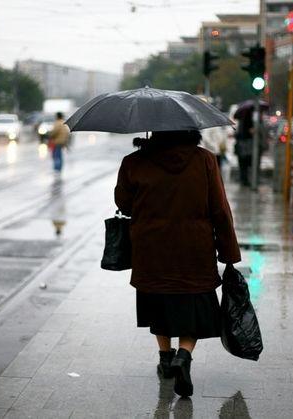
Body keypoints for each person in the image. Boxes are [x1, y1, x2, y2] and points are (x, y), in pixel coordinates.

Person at [114, 130, 241, 398]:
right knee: (192, 305)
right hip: (194, 248)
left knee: (158, 302)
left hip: (151, 249)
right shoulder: (205, 160)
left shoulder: (134, 162)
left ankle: (165, 359)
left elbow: (123, 204)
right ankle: (183, 356)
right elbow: (219, 208)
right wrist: (229, 251)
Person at [234, 112, 253, 186]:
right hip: (245, 147)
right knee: (245, 164)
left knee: (242, 165)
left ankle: (243, 179)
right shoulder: (247, 123)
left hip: (240, 147)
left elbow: (237, 135)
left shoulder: (240, 123)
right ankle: (245, 180)